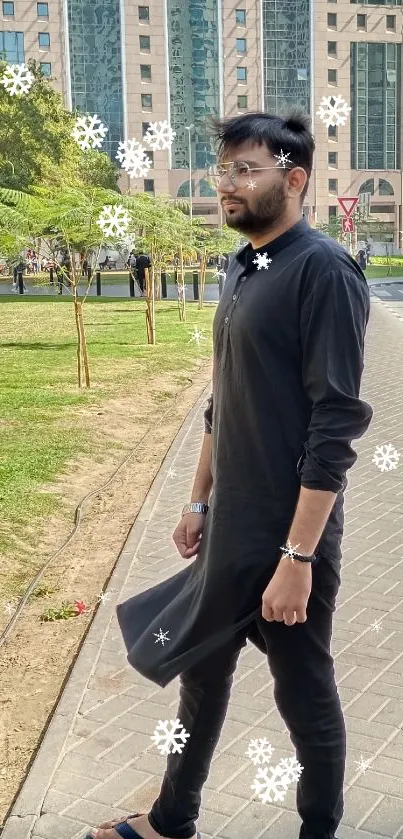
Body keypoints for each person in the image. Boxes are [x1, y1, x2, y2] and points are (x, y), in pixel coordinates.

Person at [86, 110, 373, 839]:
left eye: (247, 170)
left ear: (295, 178)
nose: (228, 185)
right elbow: (224, 397)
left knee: (303, 692)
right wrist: (196, 498)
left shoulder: (322, 269)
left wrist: (298, 558)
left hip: (287, 537)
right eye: (224, 171)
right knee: (200, 675)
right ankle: (171, 818)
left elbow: (334, 425)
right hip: (229, 527)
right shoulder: (244, 267)